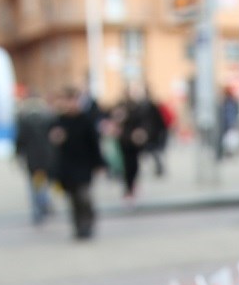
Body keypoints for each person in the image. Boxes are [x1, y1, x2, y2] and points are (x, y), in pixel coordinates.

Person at [50, 87, 106, 240]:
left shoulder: (85, 120)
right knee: (73, 198)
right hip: (67, 166)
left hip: (84, 164)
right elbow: (52, 142)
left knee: (84, 195)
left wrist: (99, 163)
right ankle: (78, 226)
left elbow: (94, 143)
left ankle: (87, 222)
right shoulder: (60, 121)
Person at [116, 84, 166, 202]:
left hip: (136, 140)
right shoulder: (122, 106)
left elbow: (150, 122)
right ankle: (128, 187)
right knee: (127, 164)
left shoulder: (142, 106)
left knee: (134, 163)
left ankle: (132, 185)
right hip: (124, 139)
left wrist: (144, 132)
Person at [15, 91, 56, 224]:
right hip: (46, 155)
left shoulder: (24, 119)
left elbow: (20, 140)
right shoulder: (48, 116)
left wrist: (18, 154)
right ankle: (43, 202)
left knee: (33, 184)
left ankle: (37, 209)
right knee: (43, 181)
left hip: (31, 156)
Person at [216, 87, 239, 162]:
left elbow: (234, 112)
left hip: (228, 122)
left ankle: (228, 152)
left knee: (228, 139)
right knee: (225, 139)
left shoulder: (230, 101)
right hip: (226, 122)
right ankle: (224, 153)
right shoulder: (227, 101)